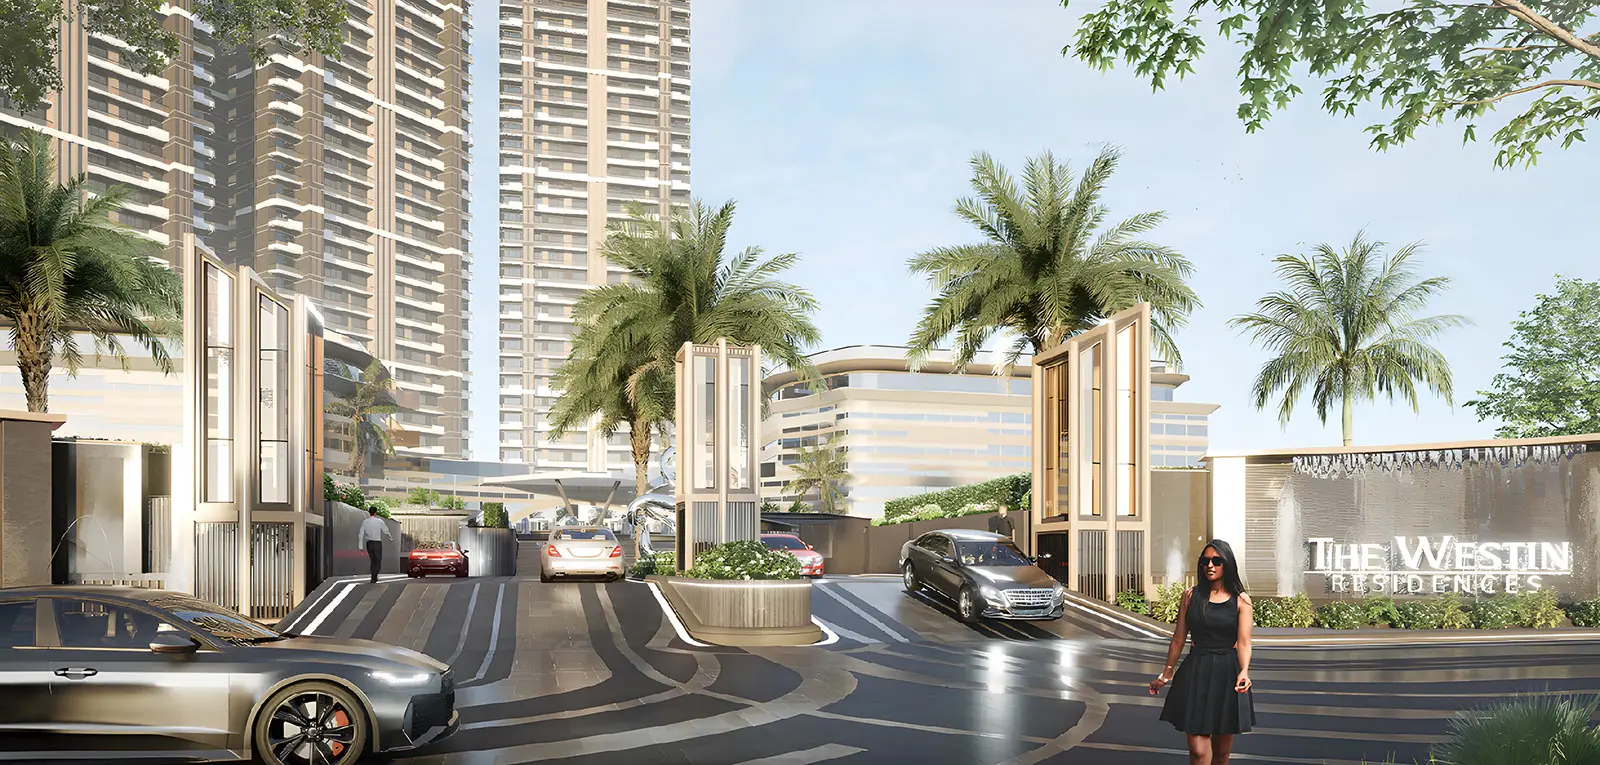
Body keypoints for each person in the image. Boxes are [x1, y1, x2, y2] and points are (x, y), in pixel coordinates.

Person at [1149, 539, 1255, 764]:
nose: (1210, 566)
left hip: (1227, 674)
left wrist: (1244, 671)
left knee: (1221, 754)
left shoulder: (1242, 601)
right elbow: (1178, 639)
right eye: (1205, 561)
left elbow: (1244, 642)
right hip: (1196, 671)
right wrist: (1166, 674)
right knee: (1198, 751)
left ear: (1227, 564)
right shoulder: (1190, 596)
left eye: (1217, 561)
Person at [359, 507, 393, 584]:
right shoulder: (379, 521)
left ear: (369, 512)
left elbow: (361, 534)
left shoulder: (365, 522)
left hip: (369, 543)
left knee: (372, 560)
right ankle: (374, 576)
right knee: (378, 561)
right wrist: (390, 537)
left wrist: (360, 546)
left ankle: (373, 576)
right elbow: (386, 530)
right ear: (375, 513)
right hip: (377, 543)